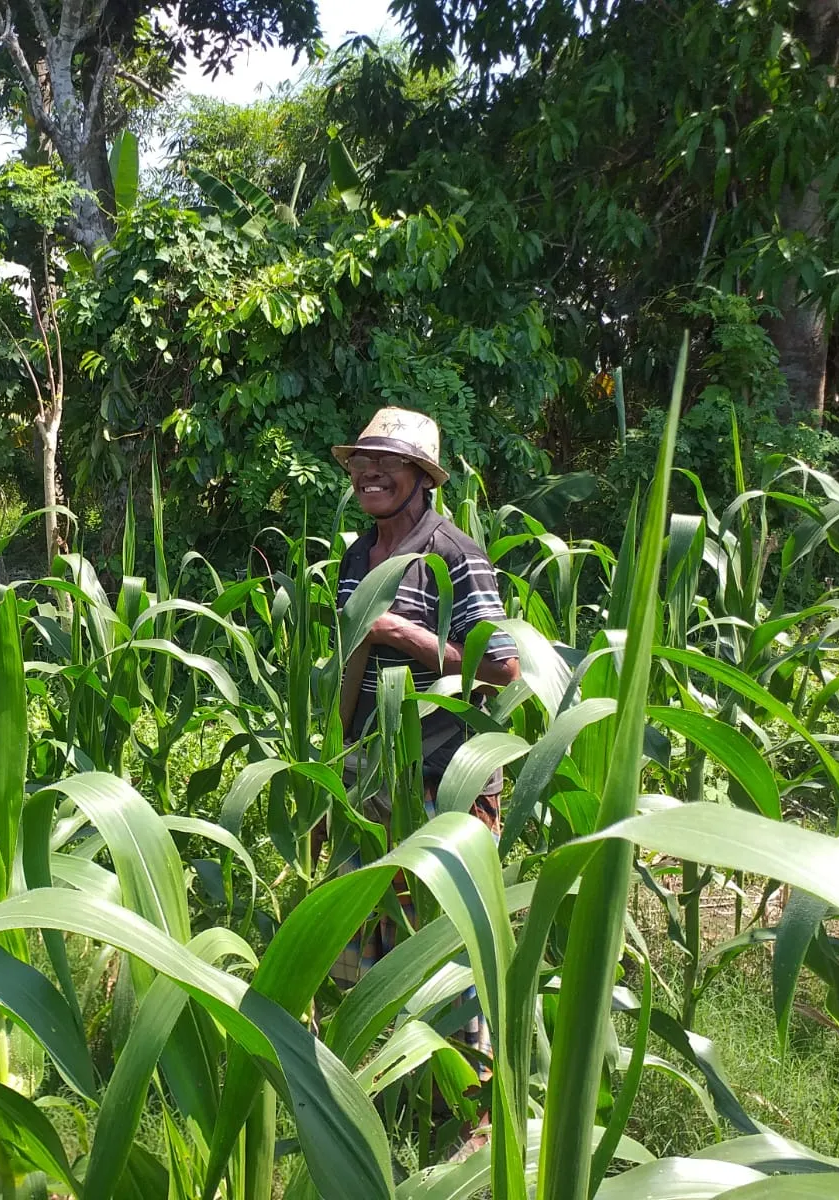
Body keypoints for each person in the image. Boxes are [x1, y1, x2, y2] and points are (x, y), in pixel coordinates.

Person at [326, 406, 520, 1111]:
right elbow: (349, 664)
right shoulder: (355, 557)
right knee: (363, 930)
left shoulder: (454, 553)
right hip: (367, 769)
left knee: (443, 940)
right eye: (361, 462)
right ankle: (383, 1083)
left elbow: (502, 669)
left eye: (390, 463)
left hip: (444, 773)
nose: (371, 472)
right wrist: (333, 769)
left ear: (421, 478)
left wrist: (404, 633)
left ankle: (467, 1104)